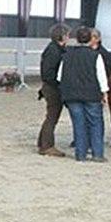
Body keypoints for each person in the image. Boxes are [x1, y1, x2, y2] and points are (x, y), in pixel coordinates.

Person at [57, 26, 109, 162]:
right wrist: (104, 93)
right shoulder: (95, 55)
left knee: (78, 124)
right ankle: (97, 154)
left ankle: (80, 155)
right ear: (90, 39)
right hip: (91, 95)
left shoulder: (66, 54)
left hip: (72, 95)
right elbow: (101, 76)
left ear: (77, 39)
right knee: (95, 123)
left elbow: (59, 76)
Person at [36, 23, 70, 157]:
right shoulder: (54, 51)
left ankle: (42, 142)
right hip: (53, 88)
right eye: (67, 35)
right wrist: (59, 85)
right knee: (52, 117)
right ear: (61, 36)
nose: (68, 37)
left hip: (51, 86)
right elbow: (49, 73)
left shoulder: (55, 49)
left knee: (51, 116)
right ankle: (47, 146)